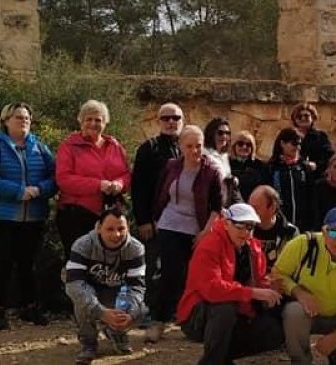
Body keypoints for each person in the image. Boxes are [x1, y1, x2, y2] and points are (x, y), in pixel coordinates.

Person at [146, 125, 232, 344]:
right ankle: (158, 321)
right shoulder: (171, 166)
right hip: (170, 224)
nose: (195, 151)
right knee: (168, 274)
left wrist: (205, 233)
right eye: (190, 146)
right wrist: (156, 219)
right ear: (181, 147)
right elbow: (159, 193)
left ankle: (191, 323)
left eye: (199, 146)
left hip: (198, 228)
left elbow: (217, 206)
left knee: (195, 277)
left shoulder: (212, 171)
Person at [0, 102, 57, 330]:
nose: (23, 121)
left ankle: (29, 307)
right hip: (1, 216)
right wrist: (17, 192)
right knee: (2, 263)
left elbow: (55, 177)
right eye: (18, 117)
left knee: (28, 264)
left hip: (33, 216)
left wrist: (40, 189)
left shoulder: (40, 148)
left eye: (27, 118)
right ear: (5, 121)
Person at [177, 203, 285, 365]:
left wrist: (270, 288)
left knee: (274, 330)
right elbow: (212, 289)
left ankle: (222, 358)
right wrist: (254, 293)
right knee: (225, 306)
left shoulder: (254, 248)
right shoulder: (209, 245)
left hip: (240, 312)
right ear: (227, 224)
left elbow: (260, 281)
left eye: (250, 227)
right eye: (240, 225)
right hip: (198, 315)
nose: (246, 232)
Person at [273, 208, 336, 365]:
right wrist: (298, 292)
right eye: (334, 232)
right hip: (309, 314)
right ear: (324, 231)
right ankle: (300, 360)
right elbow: (277, 274)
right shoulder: (302, 244)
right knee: (293, 312)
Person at [64, 205, 147, 365]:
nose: (116, 234)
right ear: (99, 228)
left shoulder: (136, 249)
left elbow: (137, 287)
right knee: (82, 302)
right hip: (89, 289)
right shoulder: (83, 244)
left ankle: (117, 333)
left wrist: (128, 312)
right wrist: (100, 312)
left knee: (141, 309)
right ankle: (88, 343)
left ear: (128, 228)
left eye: (121, 228)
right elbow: (74, 283)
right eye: (110, 229)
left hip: (116, 291)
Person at [55, 100, 131, 260]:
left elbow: (126, 174)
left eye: (98, 120)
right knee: (79, 262)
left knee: (108, 263)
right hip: (76, 215)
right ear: (80, 121)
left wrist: (120, 183)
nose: (93, 123)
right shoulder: (69, 147)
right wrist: (98, 185)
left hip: (108, 216)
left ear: (105, 123)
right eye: (88, 119)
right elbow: (64, 180)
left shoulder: (115, 145)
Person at [131, 102, 184, 308]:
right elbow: (138, 188)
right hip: (155, 220)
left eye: (176, 118)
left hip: (182, 221)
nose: (171, 122)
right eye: (166, 118)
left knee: (177, 267)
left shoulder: (187, 147)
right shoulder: (149, 148)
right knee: (152, 268)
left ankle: (174, 310)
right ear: (158, 121)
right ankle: (150, 311)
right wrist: (143, 220)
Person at [267, 127, 313, 228]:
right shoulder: (272, 168)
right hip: (280, 224)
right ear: (282, 143)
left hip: (303, 224)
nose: (298, 147)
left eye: (299, 144)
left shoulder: (303, 168)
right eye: (294, 143)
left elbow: (311, 196)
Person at [249, 185, 300, 269]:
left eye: (255, 208)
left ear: (272, 207)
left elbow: (294, 267)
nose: (251, 212)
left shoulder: (290, 233)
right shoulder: (245, 230)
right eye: (249, 207)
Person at [286, 102, 335, 178]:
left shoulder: (321, 136)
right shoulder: (288, 137)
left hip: (316, 179)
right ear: (295, 120)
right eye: (299, 116)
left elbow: (330, 157)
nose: (303, 118)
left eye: (306, 116)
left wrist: (316, 165)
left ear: (312, 118)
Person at [229, 130, 267, 202]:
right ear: (234, 146)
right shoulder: (227, 164)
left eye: (248, 144)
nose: (244, 147)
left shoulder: (260, 166)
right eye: (240, 144)